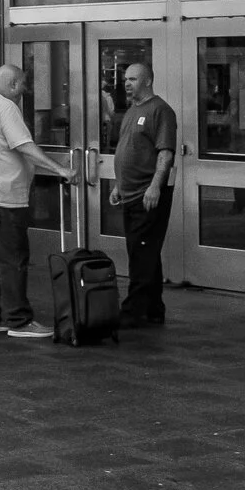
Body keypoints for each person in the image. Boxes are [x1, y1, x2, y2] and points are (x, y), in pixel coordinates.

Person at [0, 63, 72, 339]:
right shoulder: (6, 108)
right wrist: (59, 169)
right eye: (23, 84)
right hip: (4, 197)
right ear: (12, 84)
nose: (25, 90)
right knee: (13, 260)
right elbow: (23, 145)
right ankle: (19, 320)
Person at [110, 61, 178, 326]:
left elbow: (165, 153)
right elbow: (128, 149)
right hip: (129, 193)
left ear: (148, 81)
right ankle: (153, 308)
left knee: (141, 253)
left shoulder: (160, 110)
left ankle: (133, 311)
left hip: (147, 194)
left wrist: (155, 186)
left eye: (133, 79)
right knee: (144, 250)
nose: (127, 84)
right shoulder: (131, 111)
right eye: (126, 79)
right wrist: (118, 185)